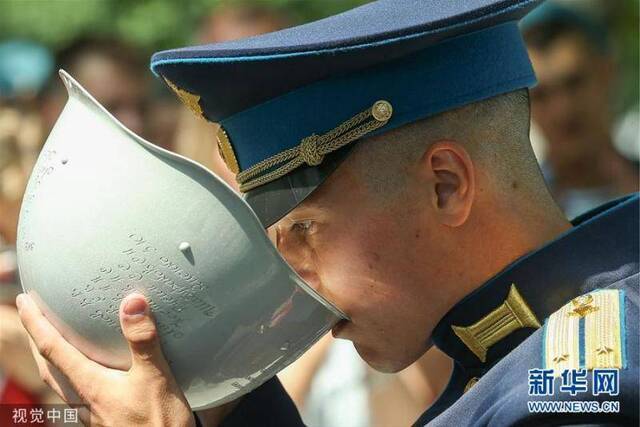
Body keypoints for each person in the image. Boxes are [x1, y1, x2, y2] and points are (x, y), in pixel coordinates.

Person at [15, 1, 638, 426]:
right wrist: (225, 404)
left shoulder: (580, 388)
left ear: (446, 185)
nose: (290, 277)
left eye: (305, 231)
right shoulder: (527, 351)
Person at [521, 2, 639, 218]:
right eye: (542, 95)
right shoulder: (522, 220)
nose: (563, 111)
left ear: (607, 72)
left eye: (574, 83)